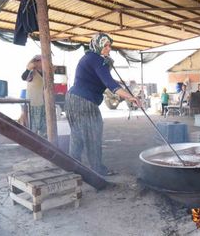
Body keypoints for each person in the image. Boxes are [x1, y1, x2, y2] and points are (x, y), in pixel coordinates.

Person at [65, 33, 140, 176]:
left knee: (77, 135)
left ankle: (72, 166)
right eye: (105, 45)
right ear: (97, 45)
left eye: (109, 45)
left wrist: (108, 68)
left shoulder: (89, 58)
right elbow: (111, 84)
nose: (108, 48)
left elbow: (107, 81)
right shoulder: (96, 59)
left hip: (72, 99)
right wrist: (131, 97)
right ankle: (97, 168)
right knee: (94, 132)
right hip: (84, 101)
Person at [21, 55, 47, 138]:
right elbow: (24, 77)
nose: (44, 63)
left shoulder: (43, 72)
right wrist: (28, 69)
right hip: (33, 104)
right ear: (37, 62)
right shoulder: (32, 71)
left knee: (43, 126)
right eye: (42, 61)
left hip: (42, 103)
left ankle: (44, 144)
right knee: (33, 127)